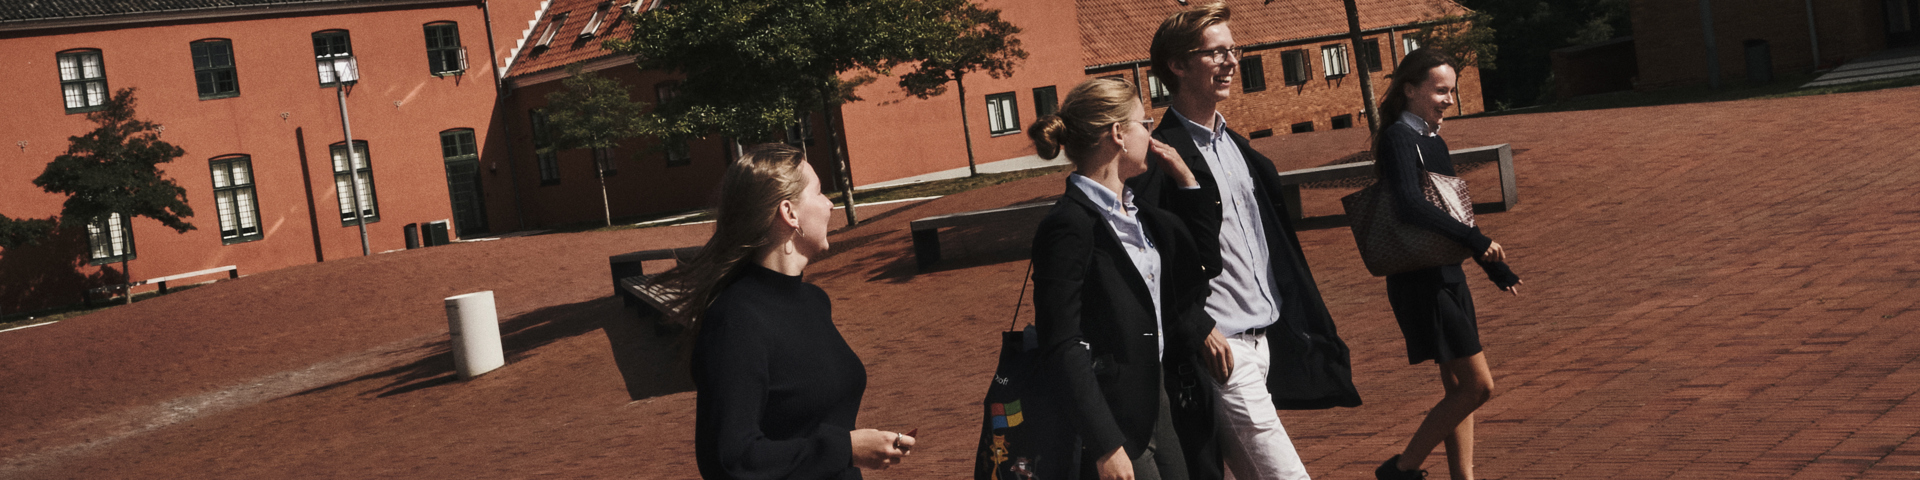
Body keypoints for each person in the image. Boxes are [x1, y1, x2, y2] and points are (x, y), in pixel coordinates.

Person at [1128, 3, 1363, 479]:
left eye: (1233, 50)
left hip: (1266, 341)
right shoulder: (1161, 159)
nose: (1231, 61)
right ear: (1177, 65)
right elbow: (1145, 260)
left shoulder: (1238, 148)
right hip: (1223, 350)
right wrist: (1197, 325)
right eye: (1215, 53)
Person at [663, 144, 914, 480]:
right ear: (789, 213)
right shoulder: (735, 320)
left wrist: (853, 448)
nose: (830, 204)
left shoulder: (814, 301)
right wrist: (846, 449)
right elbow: (730, 459)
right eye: (819, 192)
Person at [1028, 77, 1223, 480]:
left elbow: (1201, 266)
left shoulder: (1139, 214)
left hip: (1157, 400)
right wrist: (1104, 444)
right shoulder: (1069, 225)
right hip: (1112, 415)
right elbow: (1061, 342)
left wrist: (1187, 180)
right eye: (1144, 123)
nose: (1151, 134)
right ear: (1118, 134)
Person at [1368, 48, 1523, 480]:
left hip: (1446, 273)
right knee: (1478, 386)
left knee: (1458, 388)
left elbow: (1455, 210)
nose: (1449, 100)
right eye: (1440, 90)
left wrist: (1491, 264)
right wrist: (1476, 241)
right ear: (1410, 90)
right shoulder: (1399, 138)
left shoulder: (1433, 140)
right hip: (1421, 279)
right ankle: (1401, 469)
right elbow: (1410, 205)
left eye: (1452, 91)